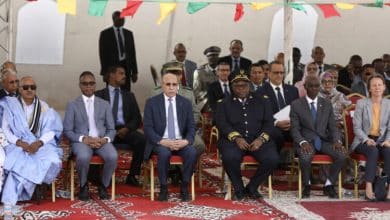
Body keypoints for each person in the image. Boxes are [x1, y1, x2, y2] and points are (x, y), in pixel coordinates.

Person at [1, 76, 63, 216]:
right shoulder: (11, 105)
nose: (29, 90)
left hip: (39, 144)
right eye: (26, 87)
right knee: (19, 163)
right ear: (19, 89)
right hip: (17, 143)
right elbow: (6, 130)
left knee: (53, 160)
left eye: (33, 87)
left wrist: (38, 143)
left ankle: (25, 192)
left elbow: (50, 130)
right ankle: (9, 203)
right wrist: (20, 143)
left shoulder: (44, 107)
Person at [216, 73, 279, 200]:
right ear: (232, 87)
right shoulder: (223, 103)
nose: (241, 89)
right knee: (230, 157)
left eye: (244, 86)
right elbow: (222, 124)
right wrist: (236, 138)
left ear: (249, 86)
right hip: (233, 141)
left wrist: (261, 139)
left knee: (273, 159)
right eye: (237, 86)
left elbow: (269, 123)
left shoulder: (262, 100)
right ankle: (239, 189)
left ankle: (252, 187)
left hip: (257, 139)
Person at [63, 71, 118, 201]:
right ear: (80, 86)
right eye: (85, 84)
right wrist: (84, 139)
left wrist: (105, 139)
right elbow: (67, 130)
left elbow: (111, 129)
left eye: (91, 83)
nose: (88, 86)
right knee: (83, 156)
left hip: (101, 141)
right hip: (82, 141)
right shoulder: (72, 105)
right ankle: (83, 186)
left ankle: (103, 185)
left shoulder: (104, 104)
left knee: (112, 156)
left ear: (95, 85)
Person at [290, 75, 347, 198]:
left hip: (324, 140)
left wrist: (337, 140)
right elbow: (294, 129)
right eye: (311, 86)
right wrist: (302, 142)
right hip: (306, 141)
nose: (314, 89)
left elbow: (333, 126)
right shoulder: (296, 105)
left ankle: (329, 184)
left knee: (342, 154)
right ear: (305, 87)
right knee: (305, 158)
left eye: (316, 86)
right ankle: (307, 185)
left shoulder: (326, 104)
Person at [143, 72, 197, 202]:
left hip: (180, 141)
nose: (172, 87)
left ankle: (184, 186)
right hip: (161, 141)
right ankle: (163, 187)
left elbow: (191, 127)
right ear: (162, 86)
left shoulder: (185, 103)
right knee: (164, 153)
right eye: (168, 84)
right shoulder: (152, 103)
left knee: (192, 152)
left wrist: (186, 141)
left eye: (174, 84)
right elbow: (147, 128)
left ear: (178, 86)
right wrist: (162, 141)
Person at [95, 66, 145, 186]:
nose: (125, 76)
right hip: (106, 131)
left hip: (124, 129)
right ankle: (102, 174)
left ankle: (133, 175)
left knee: (141, 140)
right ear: (112, 75)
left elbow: (137, 118)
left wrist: (127, 128)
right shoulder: (99, 95)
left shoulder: (129, 96)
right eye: (121, 73)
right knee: (99, 140)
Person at [351, 74, 390, 201]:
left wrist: (388, 140)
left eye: (379, 85)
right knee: (373, 150)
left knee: (388, 151)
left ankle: (389, 189)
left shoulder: (389, 104)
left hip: (382, 140)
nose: (377, 87)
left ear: (384, 87)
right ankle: (368, 188)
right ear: (369, 88)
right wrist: (366, 139)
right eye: (374, 85)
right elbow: (356, 127)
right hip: (363, 140)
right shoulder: (361, 103)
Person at [258, 61, 299, 153]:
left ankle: (299, 161)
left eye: (281, 73)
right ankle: (277, 162)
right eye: (276, 73)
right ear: (268, 74)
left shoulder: (293, 90)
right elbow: (260, 115)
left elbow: (298, 110)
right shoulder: (260, 92)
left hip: (291, 126)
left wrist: (293, 122)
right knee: (276, 135)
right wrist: (276, 123)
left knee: (304, 133)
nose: (279, 75)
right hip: (273, 126)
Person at [99, 11, 138, 91]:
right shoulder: (105, 34)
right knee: (112, 91)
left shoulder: (129, 34)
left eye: (123, 18)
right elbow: (102, 54)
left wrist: (134, 71)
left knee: (126, 92)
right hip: (112, 68)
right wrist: (104, 72)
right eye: (120, 18)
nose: (122, 20)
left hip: (126, 66)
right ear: (114, 19)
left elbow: (132, 53)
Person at [193, 46, 221, 112]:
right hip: (206, 106)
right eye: (210, 56)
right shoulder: (199, 72)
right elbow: (196, 92)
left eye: (215, 55)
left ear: (218, 57)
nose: (213, 58)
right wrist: (209, 96)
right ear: (207, 57)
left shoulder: (224, 70)